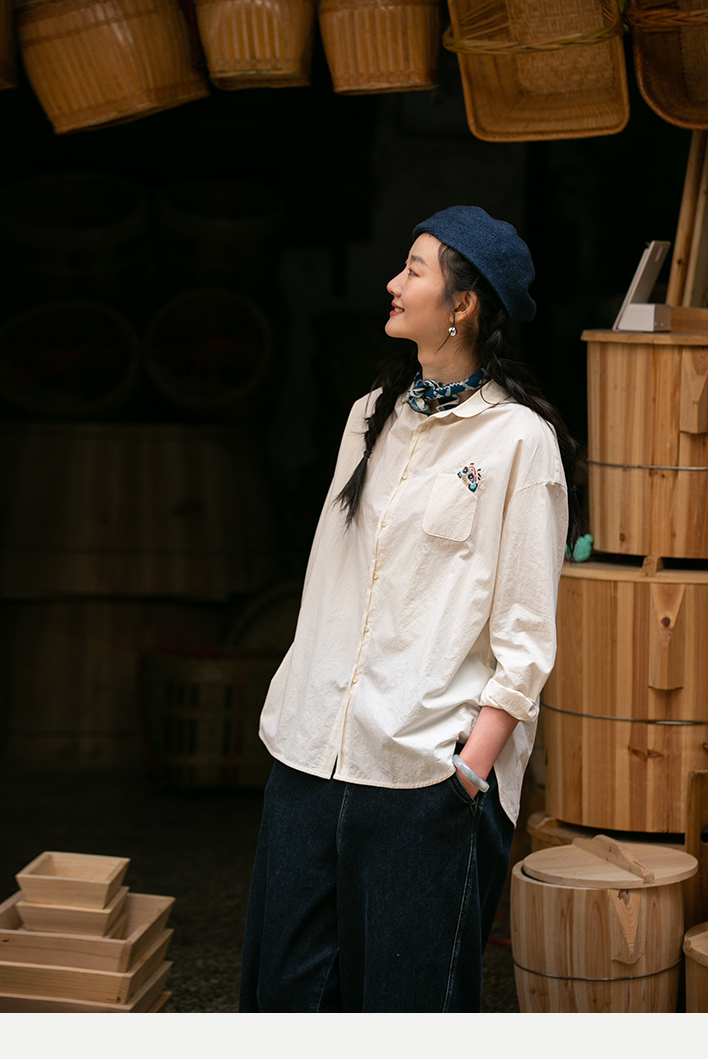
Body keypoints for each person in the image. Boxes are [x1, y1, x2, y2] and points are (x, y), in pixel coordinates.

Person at [239, 205, 581, 1013]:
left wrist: (469, 769)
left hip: (425, 773)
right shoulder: (371, 417)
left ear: (463, 304)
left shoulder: (517, 441)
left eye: (415, 269)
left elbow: (526, 630)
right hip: (311, 759)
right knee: (284, 998)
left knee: (406, 1006)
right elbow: (330, 580)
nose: (393, 283)